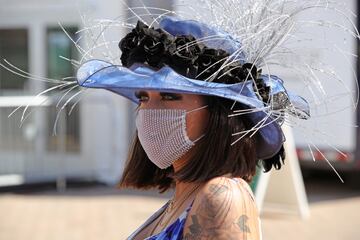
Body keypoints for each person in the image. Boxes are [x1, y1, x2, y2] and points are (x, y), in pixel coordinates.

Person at [76, 15, 311, 239]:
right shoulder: (184, 196)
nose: (148, 112)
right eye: (144, 97)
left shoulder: (221, 196)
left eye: (169, 97)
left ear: (217, 113)